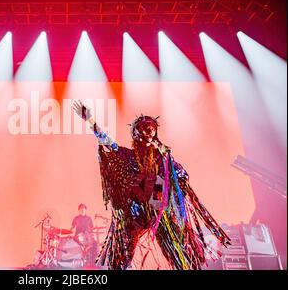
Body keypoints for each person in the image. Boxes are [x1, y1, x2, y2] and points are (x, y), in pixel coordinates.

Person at [72, 100, 230, 270]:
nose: (149, 132)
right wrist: (90, 120)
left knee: (178, 253)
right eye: (144, 128)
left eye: (152, 129)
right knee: (122, 256)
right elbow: (108, 143)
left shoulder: (161, 157)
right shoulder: (129, 156)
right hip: (135, 213)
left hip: (159, 212)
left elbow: (182, 175)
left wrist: (169, 170)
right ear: (137, 134)